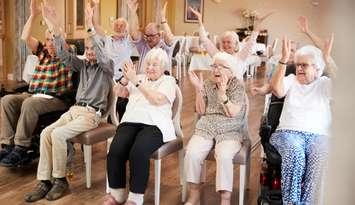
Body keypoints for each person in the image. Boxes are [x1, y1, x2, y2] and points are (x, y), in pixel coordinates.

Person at [24, 4, 113, 202]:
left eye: (93, 49)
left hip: (91, 114)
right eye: (87, 49)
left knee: (58, 134)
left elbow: (100, 50)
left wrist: (90, 25)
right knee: (47, 133)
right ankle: (45, 181)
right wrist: (55, 26)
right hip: (75, 110)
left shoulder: (107, 67)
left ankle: (60, 180)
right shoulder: (82, 65)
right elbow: (63, 55)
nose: (90, 52)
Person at [0, 0, 73, 167]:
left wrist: (49, 19)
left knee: (30, 104)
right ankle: (8, 145)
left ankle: (21, 147)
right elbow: (24, 37)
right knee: (6, 100)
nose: (50, 43)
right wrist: (33, 16)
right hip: (34, 94)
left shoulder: (67, 54)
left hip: (55, 99)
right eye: (47, 40)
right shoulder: (42, 52)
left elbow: (58, 37)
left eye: (53, 39)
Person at [104, 48, 176, 205]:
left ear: (163, 67)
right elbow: (119, 92)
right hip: (131, 121)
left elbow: (156, 99)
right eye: (148, 64)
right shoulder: (140, 77)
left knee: (138, 152)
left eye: (154, 65)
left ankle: (135, 198)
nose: (150, 67)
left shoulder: (168, 81)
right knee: (115, 150)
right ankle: (117, 194)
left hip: (156, 124)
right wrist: (124, 79)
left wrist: (135, 80)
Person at [269, 35, 334, 204]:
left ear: (318, 69)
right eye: (297, 65)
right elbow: (277, 90)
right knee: (295, 153)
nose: (299, 69)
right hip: (288, 133)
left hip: (319, 136)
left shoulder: (324, 84)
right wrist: (283, 61)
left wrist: (328, 59)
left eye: (304, 65)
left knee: (321, 155)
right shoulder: (291, 80)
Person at [184, 52, 248, 205]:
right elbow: (200, 110)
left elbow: (232, 112)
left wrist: (223, 94)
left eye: (221, 67)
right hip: (207, 126)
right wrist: (198, 89)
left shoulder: (237, 86)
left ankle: (225, 200)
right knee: (192, 153)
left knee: (224, 156)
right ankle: (194, 195)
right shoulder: (207, 83)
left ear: (230, 71)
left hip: (230, 129)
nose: (216, 70)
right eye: (214, 66)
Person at [189, 7, 273, 79]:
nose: (225, 44)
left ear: (235, 44)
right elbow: (204, 40)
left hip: (235, 91)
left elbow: (251, 41)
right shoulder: (217, 54)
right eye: (223, 42)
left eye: (228, 42)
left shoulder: (241, 56)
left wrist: (257, 25)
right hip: (219, 88)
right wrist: (199, 20)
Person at [90, 0, 133, 121]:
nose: (119, 27)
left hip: (123, 80)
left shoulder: (128, 41)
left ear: (126, 28)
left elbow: (134, 31)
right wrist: (96, 5)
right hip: (108, 79)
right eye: (116, 25)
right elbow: (96, 25)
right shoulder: (106, 39)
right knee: (106, 105)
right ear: (112, 26)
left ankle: (123, 125)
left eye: (122, 25)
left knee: (122, 105)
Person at [127, 0, 175, 74]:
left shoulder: (164, 45)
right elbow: (133, 32)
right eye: (147, 35)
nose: (149, 38)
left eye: (152, 35)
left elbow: (169, 37)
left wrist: (163, 19)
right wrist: (133, 12)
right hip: (144, 80)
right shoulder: (143, 45)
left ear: (159, 35)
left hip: (161, 81)